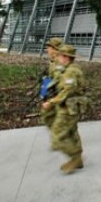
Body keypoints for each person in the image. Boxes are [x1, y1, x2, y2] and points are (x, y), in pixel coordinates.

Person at [42, 44, 88, 174]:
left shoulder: (71, 71)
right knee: (71, 132)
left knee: (56, 137)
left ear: (66, 57)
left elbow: (67, 91)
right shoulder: (67, 69)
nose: (57, 57)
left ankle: (75, 157)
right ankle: (77, 159)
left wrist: (51, 102)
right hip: (68, 106)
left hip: (69, 107)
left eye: (60, 55)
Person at [41, 37, 64, 129]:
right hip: (52, 89)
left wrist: (48, 91)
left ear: (55, 49)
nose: (47, 50)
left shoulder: (59, 62)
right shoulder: (53, 60)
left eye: (49, 48)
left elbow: (59, 79)